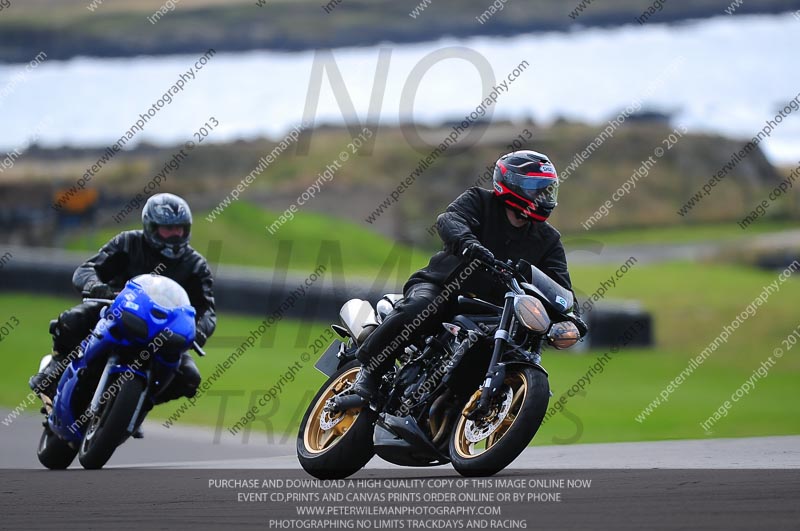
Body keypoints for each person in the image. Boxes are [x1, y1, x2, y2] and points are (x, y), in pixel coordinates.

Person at [348, 150, 584, 403]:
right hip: (444, 287)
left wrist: (574, 318)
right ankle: (369, 371)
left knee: (509, 347)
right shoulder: (479, 200)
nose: (543, 196)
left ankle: (453, 402)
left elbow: (560, 286)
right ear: (511, 184)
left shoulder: (549, 239)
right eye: (535, 188)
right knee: (422, 308)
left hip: (493, 311)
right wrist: (468, 243)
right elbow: (450, 219)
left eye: (547, 190)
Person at [30, 193, 216, 406]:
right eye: (168, 229)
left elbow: (207, 309)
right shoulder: (127, 242)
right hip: (117, 311)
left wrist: (199, 331)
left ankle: (139, 404)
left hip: (164, 328)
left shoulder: (196, 265)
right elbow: (87, 270)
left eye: (179, 229)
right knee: (74, 319)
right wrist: (97, 287)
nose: (175, 235)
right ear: (151, 227)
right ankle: (55, 368)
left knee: (190, 379)